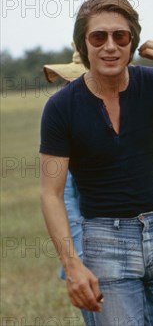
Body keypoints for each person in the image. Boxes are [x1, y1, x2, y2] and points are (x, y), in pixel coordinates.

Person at [40, 0, 153, 325]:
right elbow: (51, 195)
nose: (110, 46)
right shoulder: (60, 108)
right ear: (84, 44)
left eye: (120, 36)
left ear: (131, 42)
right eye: (98, 37)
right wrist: (72, 264)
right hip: (106, 241)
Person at [43, 49, 94, 325]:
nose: (66, 87)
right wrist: (79, 262)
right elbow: (64, 202)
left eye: (71, 81)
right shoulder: (68, 126)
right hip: (91, 258)